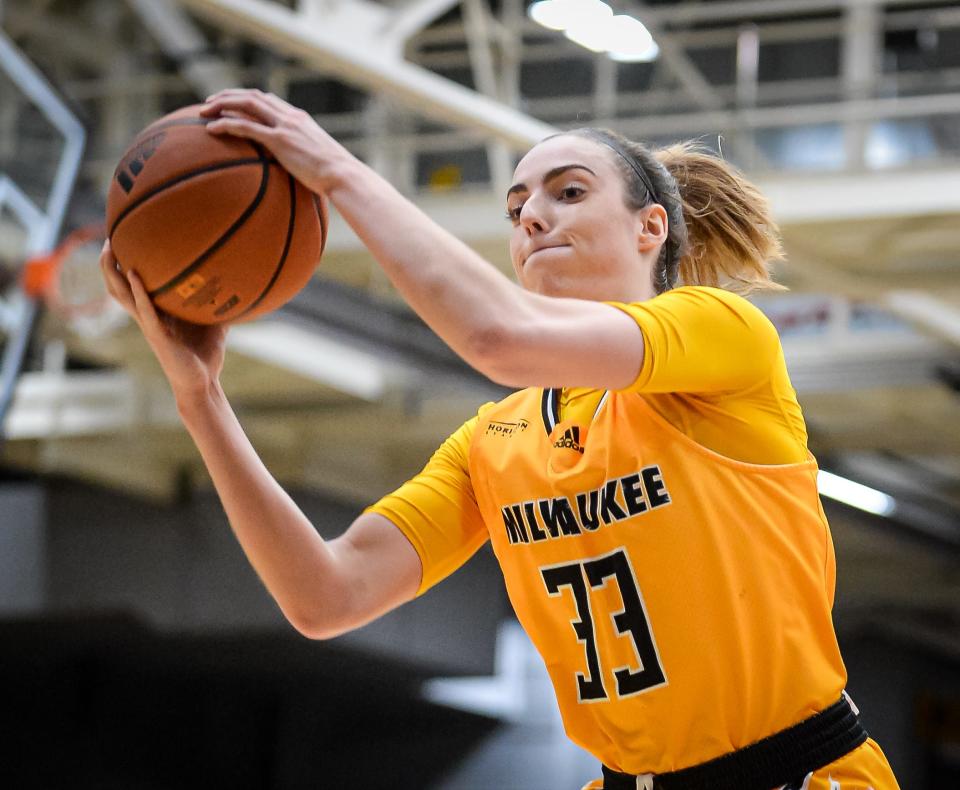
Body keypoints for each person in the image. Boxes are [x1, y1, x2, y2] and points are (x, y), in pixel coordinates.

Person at [101, 89, 900, 790]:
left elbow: (496, 337)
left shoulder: (723, 338)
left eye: (569, 191)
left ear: (651, 227)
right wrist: (200, 398)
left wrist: (336, 170)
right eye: (518, 208)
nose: (534, 216)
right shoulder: (495, 442)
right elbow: (324, 595)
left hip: (801, 773)